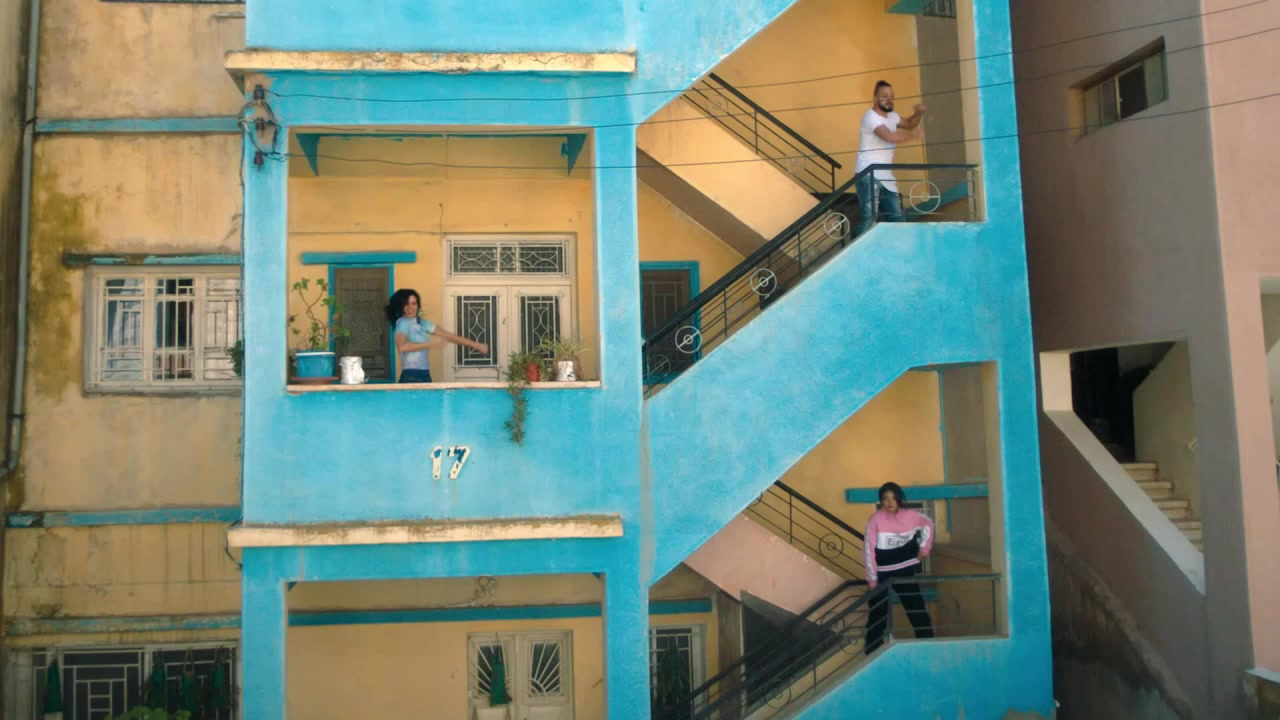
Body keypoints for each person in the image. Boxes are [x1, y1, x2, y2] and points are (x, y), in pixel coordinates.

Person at [863, 481, 935, 655]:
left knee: (916, 609)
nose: (889, 502)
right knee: (878, 615)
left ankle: (928, 646)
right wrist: (872, 579)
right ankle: (872, 652)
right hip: (882, 574)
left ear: (899, 499)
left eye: (893, 498)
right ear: (881, 500)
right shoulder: (875, 519)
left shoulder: (911, 515)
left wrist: (924, 548)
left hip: (905, 570)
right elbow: (868, 550)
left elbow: (929, 524)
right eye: (885, 498)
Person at [855, 80, 926, 235]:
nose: (889, 99)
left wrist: (919, 113)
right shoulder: (870, 117)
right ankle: (855, 240)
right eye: (884, 96)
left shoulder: (892, 117)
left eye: (892, 96)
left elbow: (909, 123)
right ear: (875, 99)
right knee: (869, 220)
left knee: (898, 221)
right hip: (869, 173)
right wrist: (912, 135)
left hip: (887, 177)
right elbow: (888, 136)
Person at [385, 289, 489, 384]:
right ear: (400, 306)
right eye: (406, 304)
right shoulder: (402, 322)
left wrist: (476, 345)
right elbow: (402, 347)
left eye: (414, 303)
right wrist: (430, 344)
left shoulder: (421, 323)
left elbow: (447, 335)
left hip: (424, 374)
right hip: (410, 375)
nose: (410, 308)